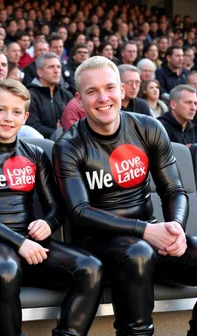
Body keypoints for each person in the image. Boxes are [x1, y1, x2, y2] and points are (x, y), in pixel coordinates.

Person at [53, 55, 197, 336]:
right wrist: (146, 231)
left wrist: (176, 227)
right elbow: (80, 212)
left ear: (121, 90)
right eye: (92, 91)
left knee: (146, 250)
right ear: (79, 101)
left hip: (150, 237)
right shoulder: (68, 145)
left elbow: (174, 189)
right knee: (138, 252)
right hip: (97, 244)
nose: (102, 98)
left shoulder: (148, 127)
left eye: (109, 88)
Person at [0, 78, 103, 336]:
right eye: (1, 110)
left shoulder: (35, 154)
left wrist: (48, 223)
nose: (7, 118)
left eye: (16, 112)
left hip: (31, 243)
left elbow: (56, 206)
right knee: (6, 269)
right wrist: (19, 242)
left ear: (25, 117)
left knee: (90, 268)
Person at [26, 52, 73, 139]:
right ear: (40, 72)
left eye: (58, 67)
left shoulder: (67, 95)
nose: (56, 71)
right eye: (51, 67)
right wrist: (57, 132)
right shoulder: (29, 96)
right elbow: (31, 126)